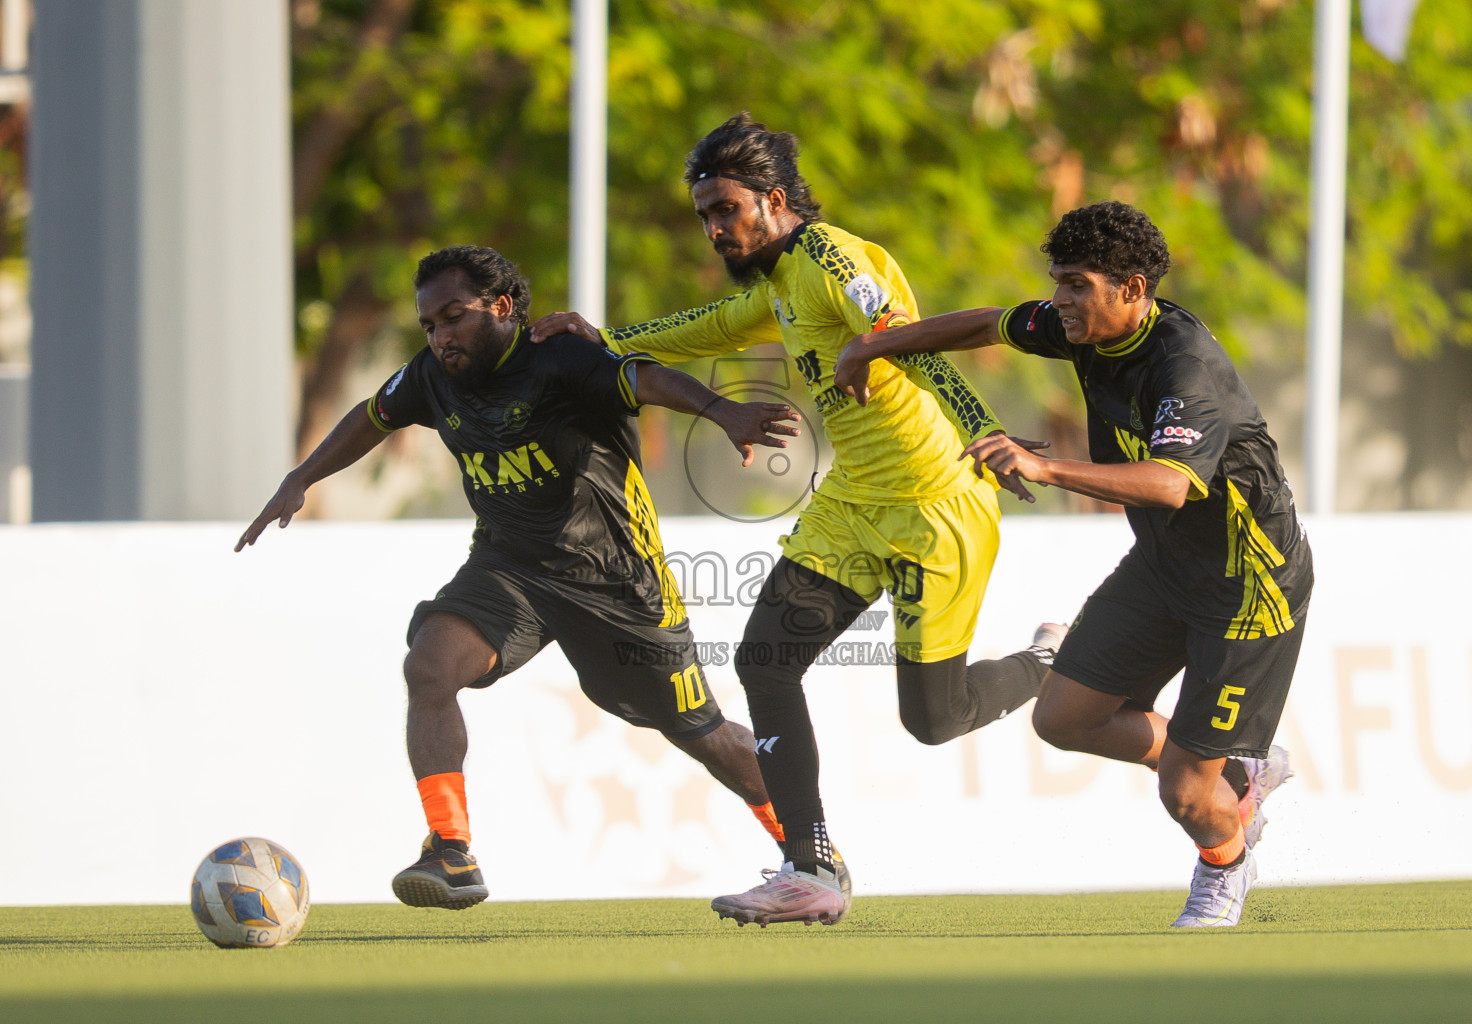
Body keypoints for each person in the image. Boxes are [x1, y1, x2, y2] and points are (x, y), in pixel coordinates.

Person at [532, 114, 1063, 927]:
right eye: (705, 214)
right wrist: (607, 339)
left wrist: (982, 430)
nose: (714, 229)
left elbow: (910, 346)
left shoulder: (834, 260)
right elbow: (711, 327)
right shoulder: (777, 281)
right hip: (854, 504)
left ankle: (1048, 661)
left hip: (935, 506)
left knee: (933, 720)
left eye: (725, 211)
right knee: (765, 662)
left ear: (774, 200)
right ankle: (810, 866)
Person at [237, 245, 803, 911]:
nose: (441, 336)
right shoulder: (434, 376)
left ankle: (807, 848)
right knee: (430, 667)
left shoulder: (560, 358)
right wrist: (302, 476)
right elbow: (372, 414)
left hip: (614, 582)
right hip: (508, 567)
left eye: (453, 317)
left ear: (502, 307)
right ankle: (451, 851)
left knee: (706, 737)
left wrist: (721, 410)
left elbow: (643, 379)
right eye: (429, 325)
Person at [833, 200, 1311, 928]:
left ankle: (1226, 859)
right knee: (1063, 717)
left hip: (1247, 585)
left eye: (1078, 285)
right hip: (1163, 568)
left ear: (1134, 289)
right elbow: (985, 321)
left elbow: (1171, 484)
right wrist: (876, 345)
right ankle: (1240, 772)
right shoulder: (1078, 325)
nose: (1061, 301)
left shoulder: (1185, 366)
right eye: (1057, 282)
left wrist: (1045, 469)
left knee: (1185, 795)